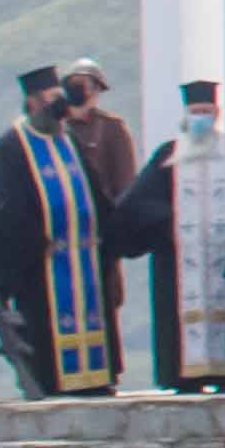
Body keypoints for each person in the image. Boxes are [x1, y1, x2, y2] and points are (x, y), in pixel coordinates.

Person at [109, 78, 225, 393]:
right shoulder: (169, 155)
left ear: (216, 113)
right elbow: (138, 203)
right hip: (181, 258)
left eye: (206, 111)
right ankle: (185, 377)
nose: (200, 117)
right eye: (195, 112)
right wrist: (167, 222)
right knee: (181, 318)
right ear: (186, 115)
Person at [0, 70, 121, 397]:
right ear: (33, 102)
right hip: (43, 264)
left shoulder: (69, 142)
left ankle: (95, 377)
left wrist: (107, 229)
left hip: (84, 258)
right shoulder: (11, 148)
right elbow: (5, 211)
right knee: (46, 325)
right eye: (52, 99)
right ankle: (54, 380)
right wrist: (38, 242)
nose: (59, 107)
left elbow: (95, 194)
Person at [60, 60, 143, 349]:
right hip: (63, 233)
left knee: (102, 299)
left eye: (87, 86)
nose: (82, 92)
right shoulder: (57, 130)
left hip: (99, 233)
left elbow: (125, 184)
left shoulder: (110, 129)